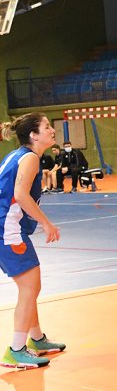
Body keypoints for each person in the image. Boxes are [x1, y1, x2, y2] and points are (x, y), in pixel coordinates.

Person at [0, 113, 64, 369]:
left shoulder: (18, 155)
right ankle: (15, 350)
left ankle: (36, 338)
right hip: (7, 228)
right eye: (46, 127)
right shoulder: (29, 159)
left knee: (29, 285)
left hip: (7, 226)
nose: (52, 130)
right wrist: (47, 223)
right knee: (30, 287)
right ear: (33, 135)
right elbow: (20, 196)